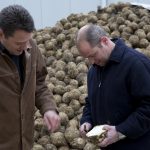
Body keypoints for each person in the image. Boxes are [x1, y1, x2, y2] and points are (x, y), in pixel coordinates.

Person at [75, 24, 150, 150]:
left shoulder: (136, 64)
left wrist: (119, 131)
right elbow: (91, 102)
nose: (91, 62)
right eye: (87, 58)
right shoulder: (94, 71)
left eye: (93, 55)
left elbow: (148, 106)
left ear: (104, 41)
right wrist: (87, 120)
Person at [0, 5, 60, 150]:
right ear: (1, 34)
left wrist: (48, 108)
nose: (26, 46)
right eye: (19, 43)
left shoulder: (31, 48)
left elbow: (39, 83)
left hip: (24, 143)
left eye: (28, 40)